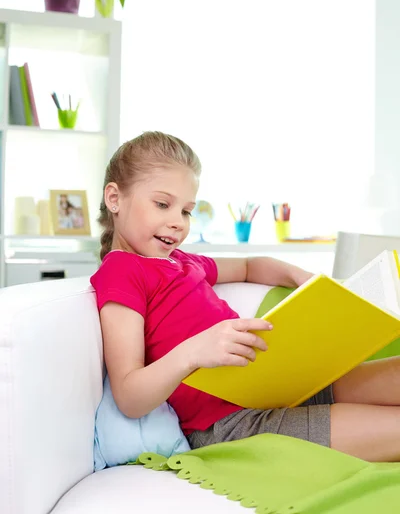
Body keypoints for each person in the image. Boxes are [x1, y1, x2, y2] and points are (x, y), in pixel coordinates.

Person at [90, 131, 400, 463]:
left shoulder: (182, 262)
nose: (177, 222)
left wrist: (303, 279)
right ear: (114, 198)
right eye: (163, 204)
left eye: (186, 211)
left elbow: (252, 266)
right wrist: (193, 352)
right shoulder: (122, 271)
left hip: (277, 385)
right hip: (231, 423)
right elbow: (129, 395)